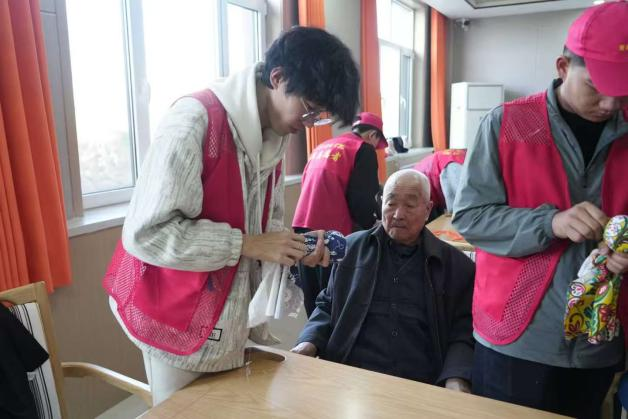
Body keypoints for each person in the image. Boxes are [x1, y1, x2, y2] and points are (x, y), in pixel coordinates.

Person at [102, 26, 360, 406]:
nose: (309, 123)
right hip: (173, 312)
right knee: (185, 411)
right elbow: (148, 233)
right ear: (277, 77)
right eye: (309, 108)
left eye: (319, 116)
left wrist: (292, 248)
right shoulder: (194, 121)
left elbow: (265, 228)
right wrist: (247, 244)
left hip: (226, 317)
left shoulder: (273, 135)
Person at [452, 3, 628, 418]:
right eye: (596, 86)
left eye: (622, 91)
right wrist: (550, 222)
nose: (609, 104)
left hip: (600, 338)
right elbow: (470, 217)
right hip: (515, 339)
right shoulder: (506, 124)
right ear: (563, 67)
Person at [292, 169, 475, 392]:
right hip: (351, 378)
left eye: (410, 205)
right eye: (391, 203)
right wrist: (308, 342)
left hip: (420, 383)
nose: (398, 214)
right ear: (380, 204)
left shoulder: (455, 266)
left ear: (428, 209)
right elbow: (327, 306)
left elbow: (462, 331)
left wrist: (456, 377)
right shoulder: (351, 250)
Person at [292, 112, 387, 316]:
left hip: (302, 232)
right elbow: (361, 201)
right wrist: (374, 227)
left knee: (314, 304)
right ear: (372, 135)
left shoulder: (322, 146)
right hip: (332, 239)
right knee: (335, 305)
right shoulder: (362, 149)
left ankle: (313, 338)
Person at [413, 149, 466, 220]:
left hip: (432, 180)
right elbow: (459, 210)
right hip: (418, 191)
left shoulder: (467, 159)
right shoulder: (456, 170)